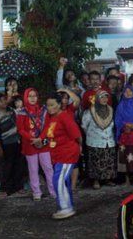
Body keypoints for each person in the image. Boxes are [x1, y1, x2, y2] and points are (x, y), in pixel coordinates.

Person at [45, 92, 83, 220]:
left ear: (59, 105)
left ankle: (66, 208)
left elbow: (77, 135)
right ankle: (68, 206)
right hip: (59, 154)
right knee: (62, 180)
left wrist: (79, 148)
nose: (50, 108)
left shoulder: (64, 117)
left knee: (58, 180)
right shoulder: (52, 118)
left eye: (52, 105)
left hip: (67, 153)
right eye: (48, 105)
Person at [16, 88, 57, 202]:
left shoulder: (44, 110)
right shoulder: (22, 112)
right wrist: (33, 139)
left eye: (35, 95)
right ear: (26, 98)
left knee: (48, 168)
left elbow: (48, 125)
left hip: (43, 143)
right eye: (30, 96)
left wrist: (40, 138)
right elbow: (20, 129)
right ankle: (36, 192)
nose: (33, 98)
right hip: (30, 144)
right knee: (33, 169)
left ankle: (53, 190)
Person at [81, 91, 116, 189]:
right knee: (96, 161)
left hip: (109, 140)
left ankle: (107, 179)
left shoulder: (110, 110)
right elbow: (84, 126)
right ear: (97, 99)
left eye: (106, 97)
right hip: (95, 140)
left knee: (108, 160)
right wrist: (91, 135)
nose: (105, 100)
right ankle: (96, 181)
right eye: (102, 97)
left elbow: (113, 125)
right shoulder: (89, 111)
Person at [0, 94, 25, 196]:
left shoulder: (11, 110)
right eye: (0, 101)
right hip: (6, 143)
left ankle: (18, 187)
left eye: (4, 100)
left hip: (17, 141)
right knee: (7, 166)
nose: (4, 102)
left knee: (18, 165)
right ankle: (4, 189)